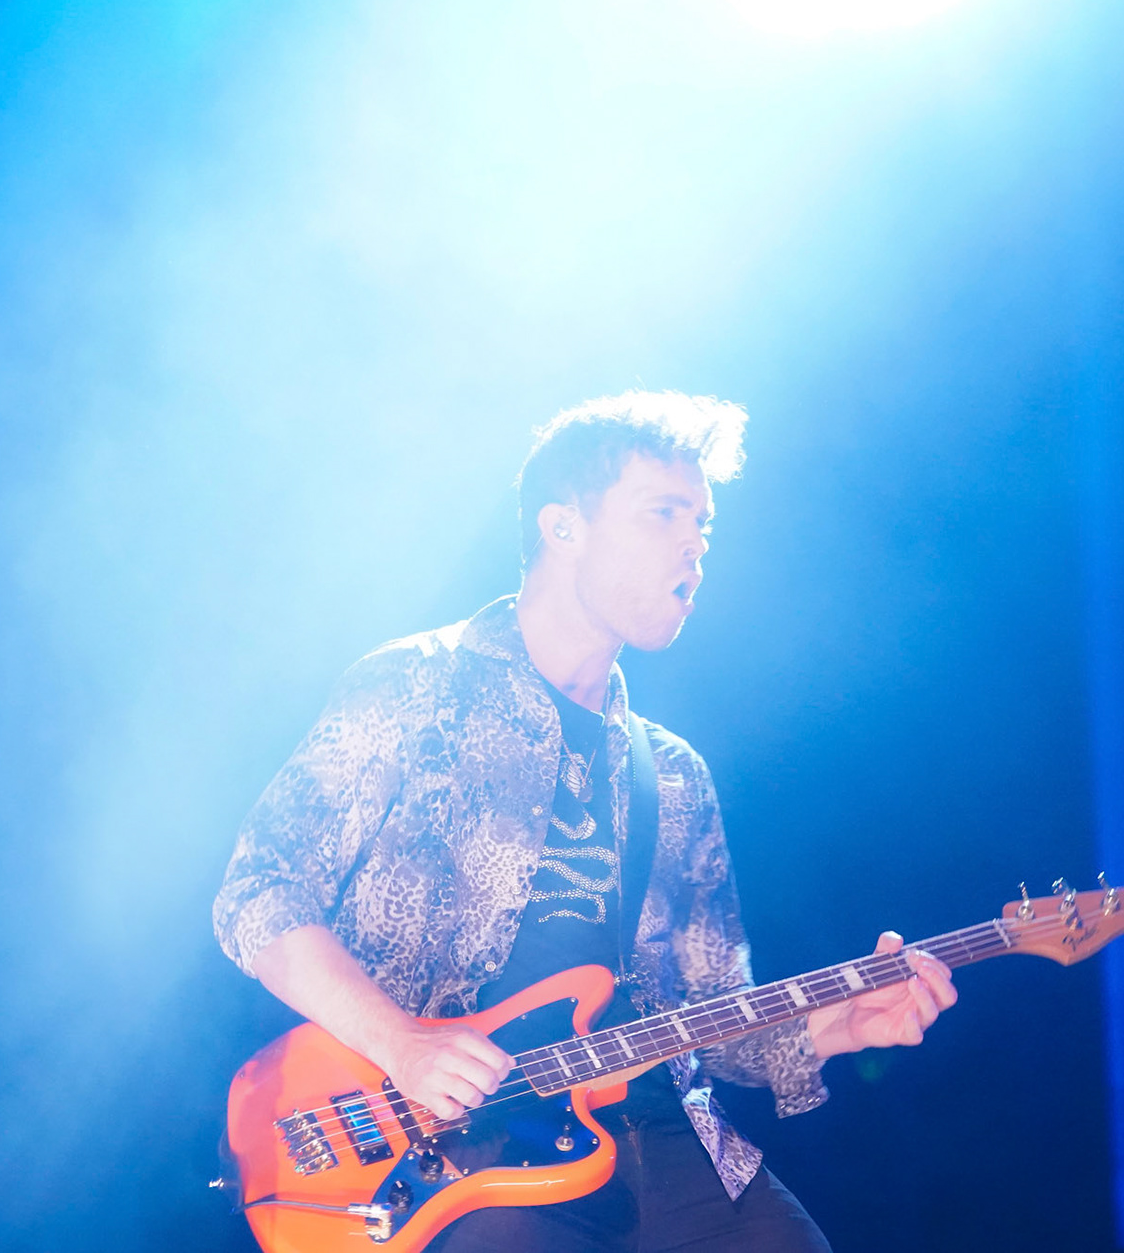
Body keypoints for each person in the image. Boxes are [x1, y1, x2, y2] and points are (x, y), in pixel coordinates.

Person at [213, 391, 957, 1252]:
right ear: (563, 526)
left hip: (662, 1132)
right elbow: (258, 892)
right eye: (664, 513)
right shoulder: (417, 686)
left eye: (703, 524)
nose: (695, 545)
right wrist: (404, 1043)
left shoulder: (672, 773)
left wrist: (842, 1025)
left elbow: (714, 1016)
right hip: (452, 1141)